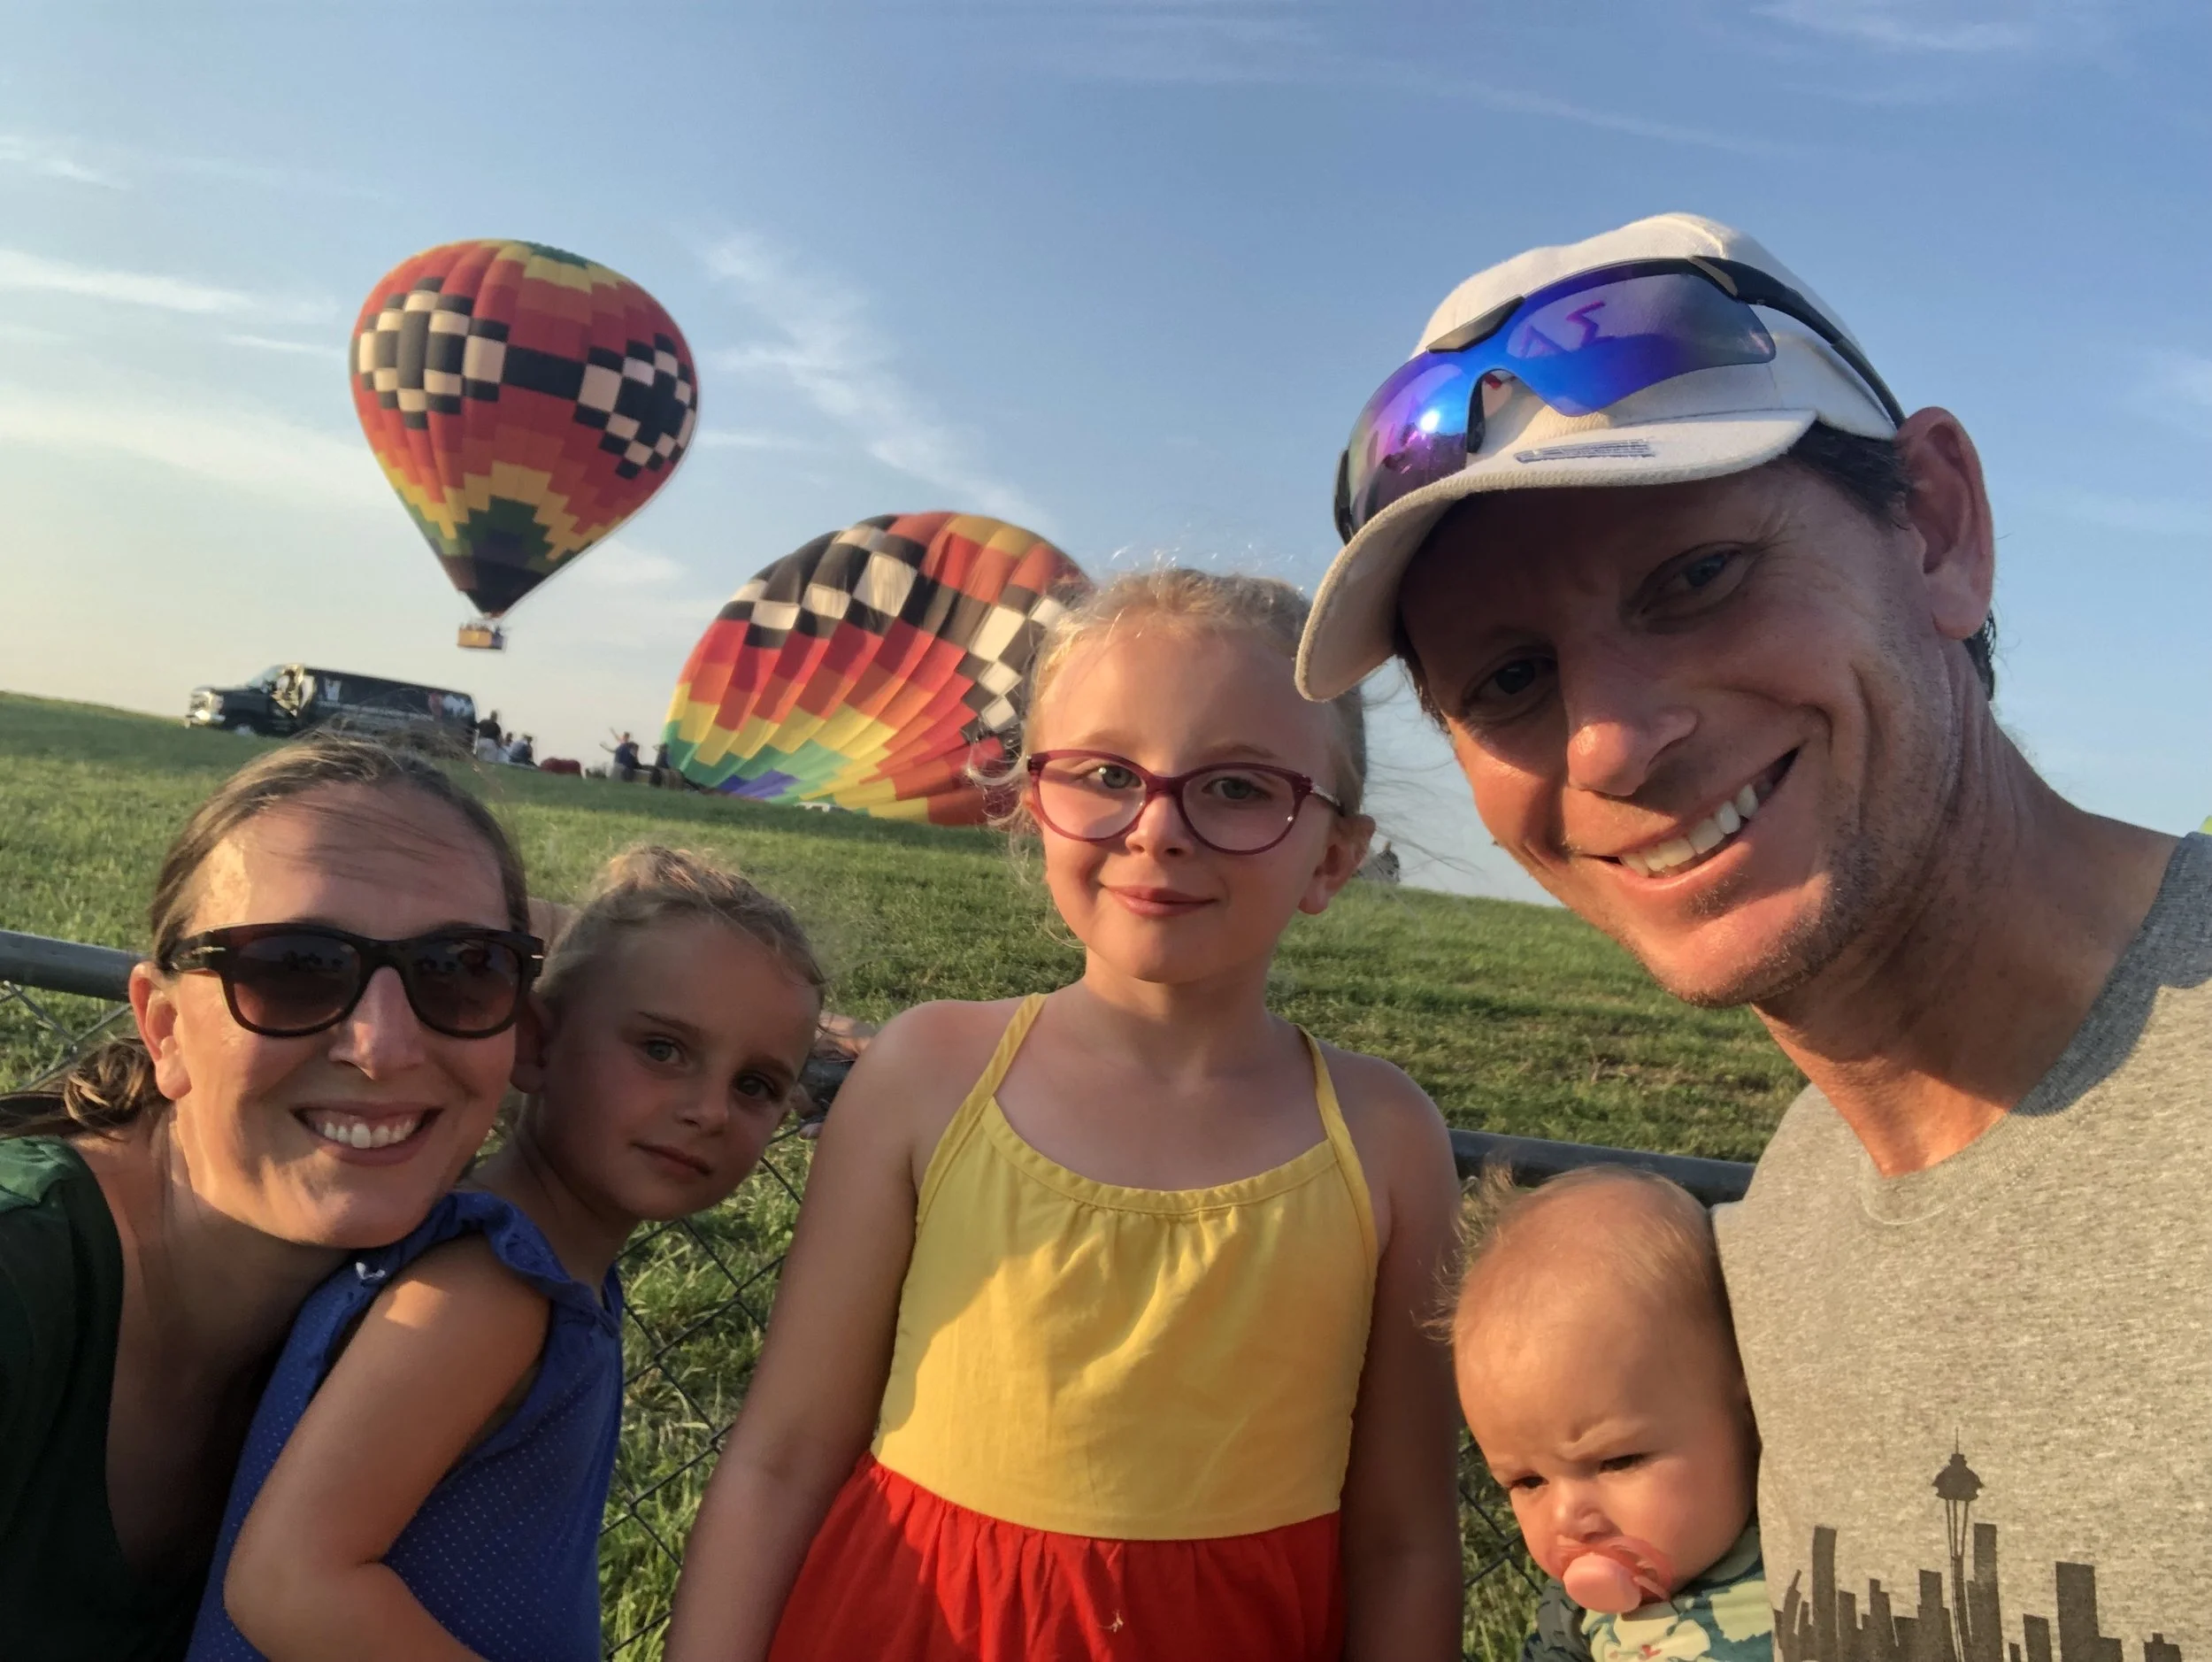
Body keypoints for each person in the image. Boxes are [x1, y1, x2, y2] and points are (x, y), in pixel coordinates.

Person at [1299, 212, 2208, 1653]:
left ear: (1937, 527)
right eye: (1513, 676)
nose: (1611, 743)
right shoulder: (1760, 1242)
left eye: (1699, 576)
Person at [665, 570, 1465, 1662]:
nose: (1158, 829)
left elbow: (1405, 1541)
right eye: (1103, 774)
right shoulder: (929, 1073)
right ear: (1027, 801)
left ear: (1331, 855)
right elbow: (785, 1452)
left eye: (1236, 788)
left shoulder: (1384, 1136)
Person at [186, 846, 825, 1661]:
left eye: (757, 1085)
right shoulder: (490, 1291)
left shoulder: (544, 1275)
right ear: (537, 1046)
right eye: (663, 1050)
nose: (708, 1109)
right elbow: (288, 1581)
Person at [0, 731, 538, 1660]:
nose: (384, 1045)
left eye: (462, 970)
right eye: (293, 968)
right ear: (163, 1031)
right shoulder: (21, 1275)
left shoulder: (424, 1322)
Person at [1452, 1166, 1766, 1662]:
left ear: (1749, 1419)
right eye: (1528, 1482)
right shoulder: (1576, 1617)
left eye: (1618, 1461)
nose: (1570, 1519)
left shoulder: (1809, 1563)